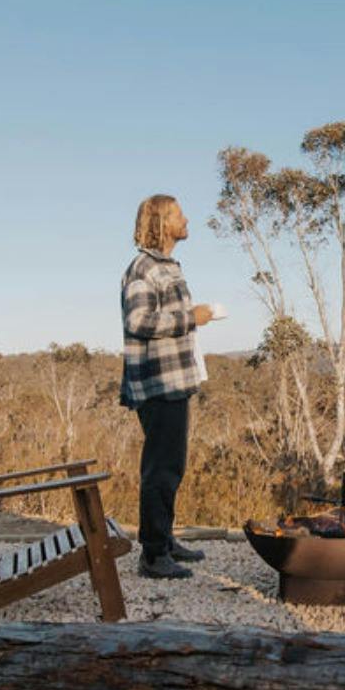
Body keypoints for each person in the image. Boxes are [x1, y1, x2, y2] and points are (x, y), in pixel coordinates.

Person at [120, 194, 216, 579]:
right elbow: (139, 321)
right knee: (161, 469)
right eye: (179, 214)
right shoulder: (144, 268)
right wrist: (191, 317)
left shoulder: (167, 266)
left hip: (175, 378)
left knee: (171, 465)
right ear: (162, 222)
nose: (187, 218)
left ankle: (165, 539)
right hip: (158, 383)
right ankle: (153, 555)